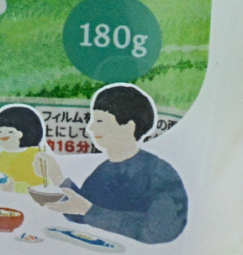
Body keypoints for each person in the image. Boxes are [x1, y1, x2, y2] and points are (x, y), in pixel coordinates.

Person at [35, 84, 187, 244]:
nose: (90, 128)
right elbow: (81, 213)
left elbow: (160, 231)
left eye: (100, 121)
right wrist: (57, 177)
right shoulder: (103, 171)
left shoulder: (158, 173)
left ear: (129, 126)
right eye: (92, 120)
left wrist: (89, 211)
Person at [0, 104, 62, 193]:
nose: (2, 135)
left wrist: (14, 188)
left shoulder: (35, 155)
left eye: (10, 131)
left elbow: (41, 186)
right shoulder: (3, 155)